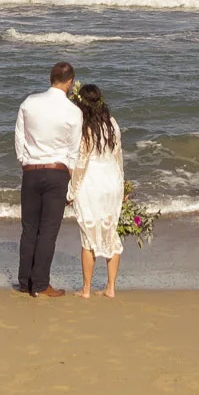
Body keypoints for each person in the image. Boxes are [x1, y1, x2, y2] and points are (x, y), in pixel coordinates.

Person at [12, 60, 80, 298]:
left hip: (31, 170)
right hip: (57, 171)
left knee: (29, 228)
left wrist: (24, 160)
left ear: (50, 79)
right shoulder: (73, 111)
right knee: (48, 231)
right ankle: (40, 283)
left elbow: (19, 136)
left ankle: (24, 281)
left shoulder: (30, 102)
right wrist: (70, 180)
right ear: (70, 82)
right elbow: (74, 151)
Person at [70, 83, 126, 298]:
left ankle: (86, 290)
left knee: (88, 238)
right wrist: (123, 185)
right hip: (112, 182)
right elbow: (118, 156)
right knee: (111, 234)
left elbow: (81, 163)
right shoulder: (112, 123)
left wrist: (70, 192)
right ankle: (111, 288)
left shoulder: (84, 127)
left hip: (91, 184)